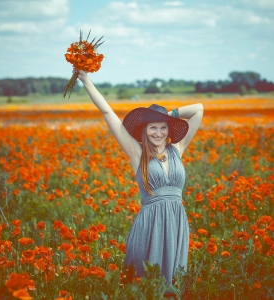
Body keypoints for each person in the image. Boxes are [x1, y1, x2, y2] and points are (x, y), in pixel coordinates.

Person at [76, 69, 203, 284]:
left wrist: (167, 115)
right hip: (150, 224)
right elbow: (108, 113)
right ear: (145, 130)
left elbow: (198, 109)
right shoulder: (138, 153)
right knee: (146, 282)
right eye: (153, 127)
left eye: (163, 128)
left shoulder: (178, 148)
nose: (159, 133)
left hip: (176, 222)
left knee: (173, 282)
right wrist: (85, 79)